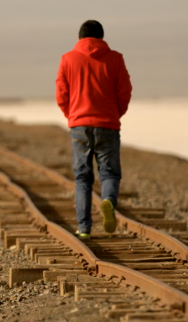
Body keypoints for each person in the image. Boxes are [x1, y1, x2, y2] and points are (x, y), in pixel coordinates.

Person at [55, 20, 133, 240]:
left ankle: (84, 228)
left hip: (79, 126)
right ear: (102, 38)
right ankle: (108, 200)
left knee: (82, 179)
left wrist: (72, 116)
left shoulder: (67, 59)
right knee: (109, 173)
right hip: (107, 124)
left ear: (80, 38)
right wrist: (116, 113)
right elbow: (125, 91)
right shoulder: (115, 59)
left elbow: (61, 94)